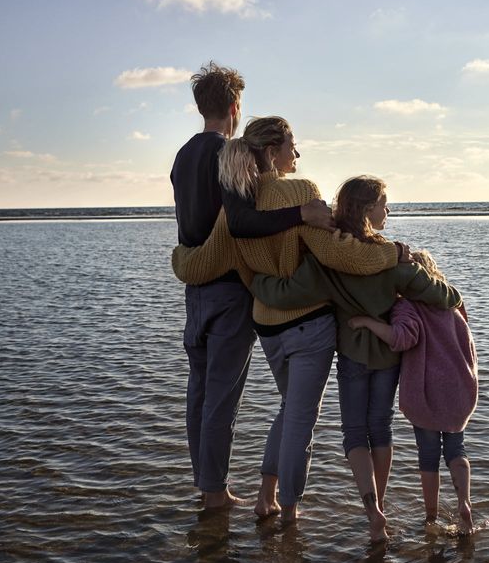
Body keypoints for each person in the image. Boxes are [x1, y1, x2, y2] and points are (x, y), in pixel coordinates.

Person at [170, 117, 409, 526]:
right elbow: (341, 255)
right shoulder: (300, 192)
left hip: (267, 329)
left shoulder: (236, 208)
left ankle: (266, 495)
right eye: (292, 146)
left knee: (288, 410)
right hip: (309, 328)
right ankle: (290, 512)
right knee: (301, 420)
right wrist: (394, 254)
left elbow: (208, 260)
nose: (296, 155)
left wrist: (179, 259)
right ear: (271, 152)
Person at [247, 175, 462, 542]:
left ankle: (371, 508)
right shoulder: (390, 256)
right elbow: (438, 293)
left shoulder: (327, 257)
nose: (387, 210)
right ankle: (381, 503)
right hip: (387, 356)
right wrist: (454, 297)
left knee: (353, 434)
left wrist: (253, 280)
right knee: (380, 428)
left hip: (350, 354)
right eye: (383, 204)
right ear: (367, 209)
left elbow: (287, 294)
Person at [172, 62, 336, 510]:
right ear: (235, 106)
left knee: (200, 390)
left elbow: (192, 224)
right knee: (221, 396)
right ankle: (214, 493)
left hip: (196, 289)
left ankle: (206, 485)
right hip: (228, 290)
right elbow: (243, 223)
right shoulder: (230, 154)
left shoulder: (183, 156)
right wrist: (301, 214)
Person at [349, 250, 478, 535]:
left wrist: (368, 322)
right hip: (457, 390)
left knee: (428, 455)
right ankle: (464, 504)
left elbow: (402, 338)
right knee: (456, 449)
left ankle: (431, 517)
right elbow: (469, 344)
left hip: (427, 393)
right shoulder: (451, 304)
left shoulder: (408, 306)